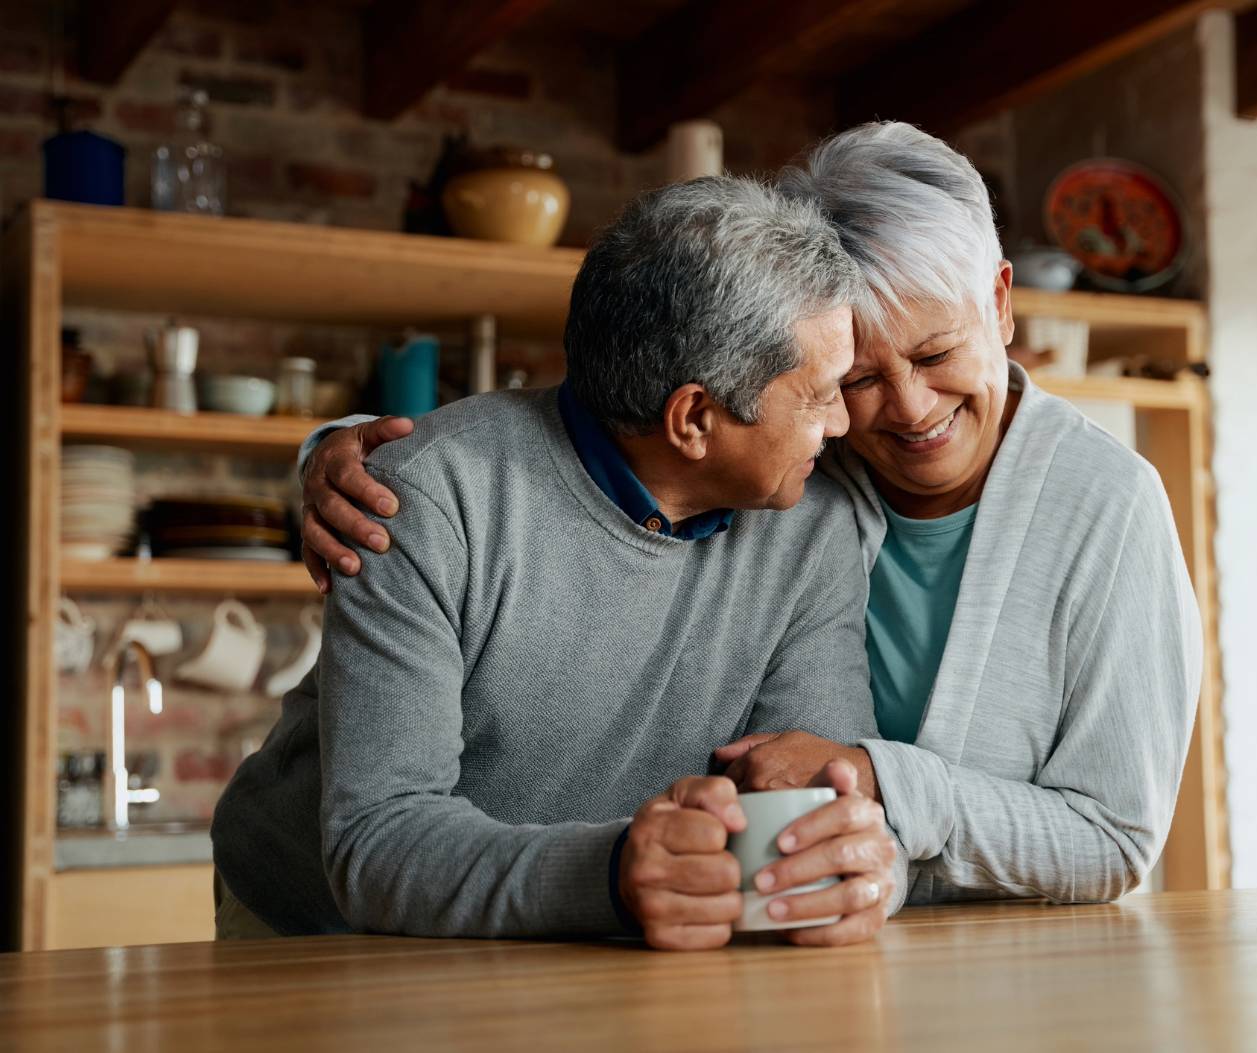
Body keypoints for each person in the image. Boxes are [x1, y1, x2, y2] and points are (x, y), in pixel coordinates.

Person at [304, 124, 1203, 907]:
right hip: (389, 929)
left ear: (1000, 303)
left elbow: (1111, 837)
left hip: (901, 951)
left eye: (936, 352)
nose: (892, 409)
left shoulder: (1092, 508)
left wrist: (873, 813)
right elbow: (607, 412)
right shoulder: (802, 474)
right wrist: (343, 452)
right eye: (847, 379)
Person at [211, 176, 899, 951]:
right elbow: (375, 840)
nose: (844, 422)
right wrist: (611, 875)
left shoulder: (813, 526)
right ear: (695, 419)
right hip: (318, 929)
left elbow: (819, 800)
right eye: (819, 395)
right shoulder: (427, 499)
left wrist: (856, 868)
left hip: (586, 933)